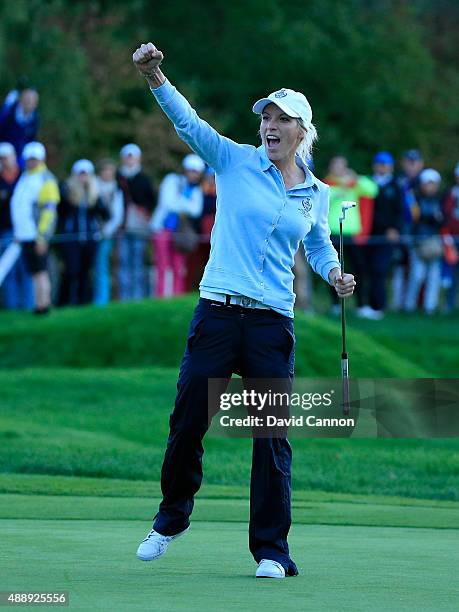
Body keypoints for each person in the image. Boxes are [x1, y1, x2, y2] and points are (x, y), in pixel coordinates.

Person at [132, 42, 355, 579]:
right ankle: (172, 516)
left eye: (284, 119)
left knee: (270, 437)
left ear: (303, 132)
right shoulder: (233, 159)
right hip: (217, 313)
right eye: (268, 117)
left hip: (271, 323)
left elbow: (319, 246)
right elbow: (188, 124)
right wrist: (155, 75)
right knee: (188, 420)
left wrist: (333, 274)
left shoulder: (318, 193)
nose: (272, 126)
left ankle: (272, 550)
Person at [324, 155, 378, 316]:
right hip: (333, 233)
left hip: (353, 234)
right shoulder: (326, 183)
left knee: (359, 269)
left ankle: (361, 305)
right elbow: (325, 197)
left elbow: (372, 190)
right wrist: (342, 187)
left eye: (342, 166)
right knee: (333, 269)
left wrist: (355, 178)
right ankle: (335, 305)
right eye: (336, 166)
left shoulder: (354, 183)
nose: (339, 169)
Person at [10, 141, 59, 314]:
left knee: (41, 271)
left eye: (35, 159)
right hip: (23, 234)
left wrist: (43, 236)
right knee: (34, 272)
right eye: (29, 159)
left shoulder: (46, 179)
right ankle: (38, 304)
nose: (31, 162)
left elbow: (49, 212)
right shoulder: (25, 177)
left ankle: (44, 304)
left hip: (36, 235)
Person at [151, 154, 205, 296]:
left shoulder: (197, 189)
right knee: (162, 266)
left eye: (197, 172)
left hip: (180, 234)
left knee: (178, 266)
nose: (194, 175)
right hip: (162, 229)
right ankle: (161, 296)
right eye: (192, 171)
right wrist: (185, 203)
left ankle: (177, 295)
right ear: (185, 170)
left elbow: (196, 210)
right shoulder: (172, 180)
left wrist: (179, 202)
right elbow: (167, 203)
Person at [58, 159, 109, 305]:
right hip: (71, 238)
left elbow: (105, 214)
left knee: (85, 272)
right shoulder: (66, 191)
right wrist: (71, 195)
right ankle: (64, 302)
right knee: (71, 270)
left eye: (86, 174)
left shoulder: (94, 193)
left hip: (89, 238)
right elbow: (61, 213)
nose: (83, 177)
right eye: (80, 174)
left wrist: (94, 198)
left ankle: (83, 302)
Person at [364, 152, 404, 318]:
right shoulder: (367, 183)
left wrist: (395, 228)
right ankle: (365, 305)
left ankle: (378, 306)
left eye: (385, 164)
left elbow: (401, 211)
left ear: (391, 166)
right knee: (365, 269)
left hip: (386, 235)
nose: (382, 167)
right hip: (366, 234)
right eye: (379, 164)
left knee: (379, 269)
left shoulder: (396, 185)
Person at [117, 144, 155, 300]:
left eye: (132, 156)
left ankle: (137, 297)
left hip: (138, 227)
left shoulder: (144, 179)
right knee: (124, 263)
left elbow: (152, 201)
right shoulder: (118, 177)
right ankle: (125, 298)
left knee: (137, 263)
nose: (130, 159)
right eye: (127, 156)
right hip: (122, 227)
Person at [404, 169, 444, 314]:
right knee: (417, 276)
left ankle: (430, 308)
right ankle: (409, 307)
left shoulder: (439, 199)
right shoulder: (415, 198)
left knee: (434, 277)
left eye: (433, 184)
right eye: (428, 183)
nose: (430, 186)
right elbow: (413, 220)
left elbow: (442, 220)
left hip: (434, 242)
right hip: (418, 242)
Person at [0, 142, 34, 309]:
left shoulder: (25, 176)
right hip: (5, 231)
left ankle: (28, 307)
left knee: (27, 270)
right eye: (2, 158)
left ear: (14, 157)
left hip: (26, 230)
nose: (4, 161)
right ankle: (13, 308)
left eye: (6, 157)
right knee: (9, 272)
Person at [392, 149, 424, 310]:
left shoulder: (424, 182)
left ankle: (410, 306)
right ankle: (398, 304)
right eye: (409, 162)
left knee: (416, 271)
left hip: (417, 233)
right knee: (399, 267)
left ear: (420, 164)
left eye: (415, 162)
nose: (411, 165)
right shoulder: (398, 180)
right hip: (400, 230)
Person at [93, 159, 124, 305]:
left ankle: (102, 300)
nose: (108, 174)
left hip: (105, 235)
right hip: (90, 233)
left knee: (102, 267)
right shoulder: (92, 186)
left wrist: (106, 231)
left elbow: (117, 216)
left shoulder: (116, 190)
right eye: (105, 170)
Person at [0, 88, 39, 163]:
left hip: (21, 154)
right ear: (21, 100)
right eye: (27, 99)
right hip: (5, 149)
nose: (29, 103)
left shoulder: (35, 118)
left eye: (32, 101)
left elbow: (31, 139)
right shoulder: (9, 113)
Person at [442, 163, 459, 312]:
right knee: (451, 275)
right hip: (452, 239)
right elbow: (446, 217)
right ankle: (449, 306)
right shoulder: (451, 193)